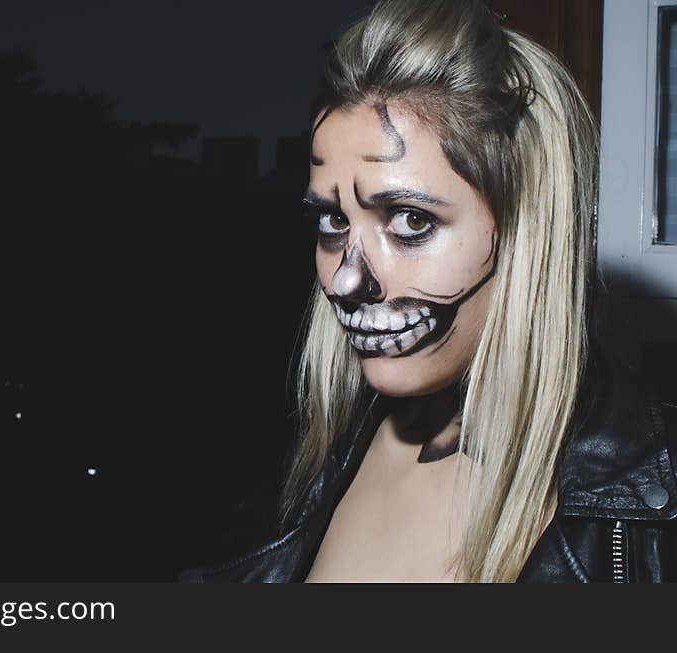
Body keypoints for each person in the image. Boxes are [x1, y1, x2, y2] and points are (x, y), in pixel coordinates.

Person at [179, 0, 677, 582]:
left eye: (409, 221)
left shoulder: (646, 514)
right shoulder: (328, 448)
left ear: (530, 232)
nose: (343, 280)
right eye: (333, 221)